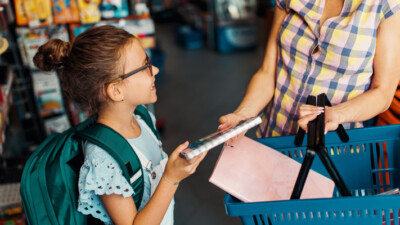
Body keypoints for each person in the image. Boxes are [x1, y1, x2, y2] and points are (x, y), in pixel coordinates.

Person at [33, 25, 206, 225]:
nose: (156, 70)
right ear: (116, 91)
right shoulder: (102, 159)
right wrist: (171, 177)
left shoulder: (142, 117)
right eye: (145, 66)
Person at [218, 0, 400, 137]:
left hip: (331, 144)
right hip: (273, 133)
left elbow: (383, 92)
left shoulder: (387, 6)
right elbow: (268, 71)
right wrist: (243, 114)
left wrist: (335, 114)